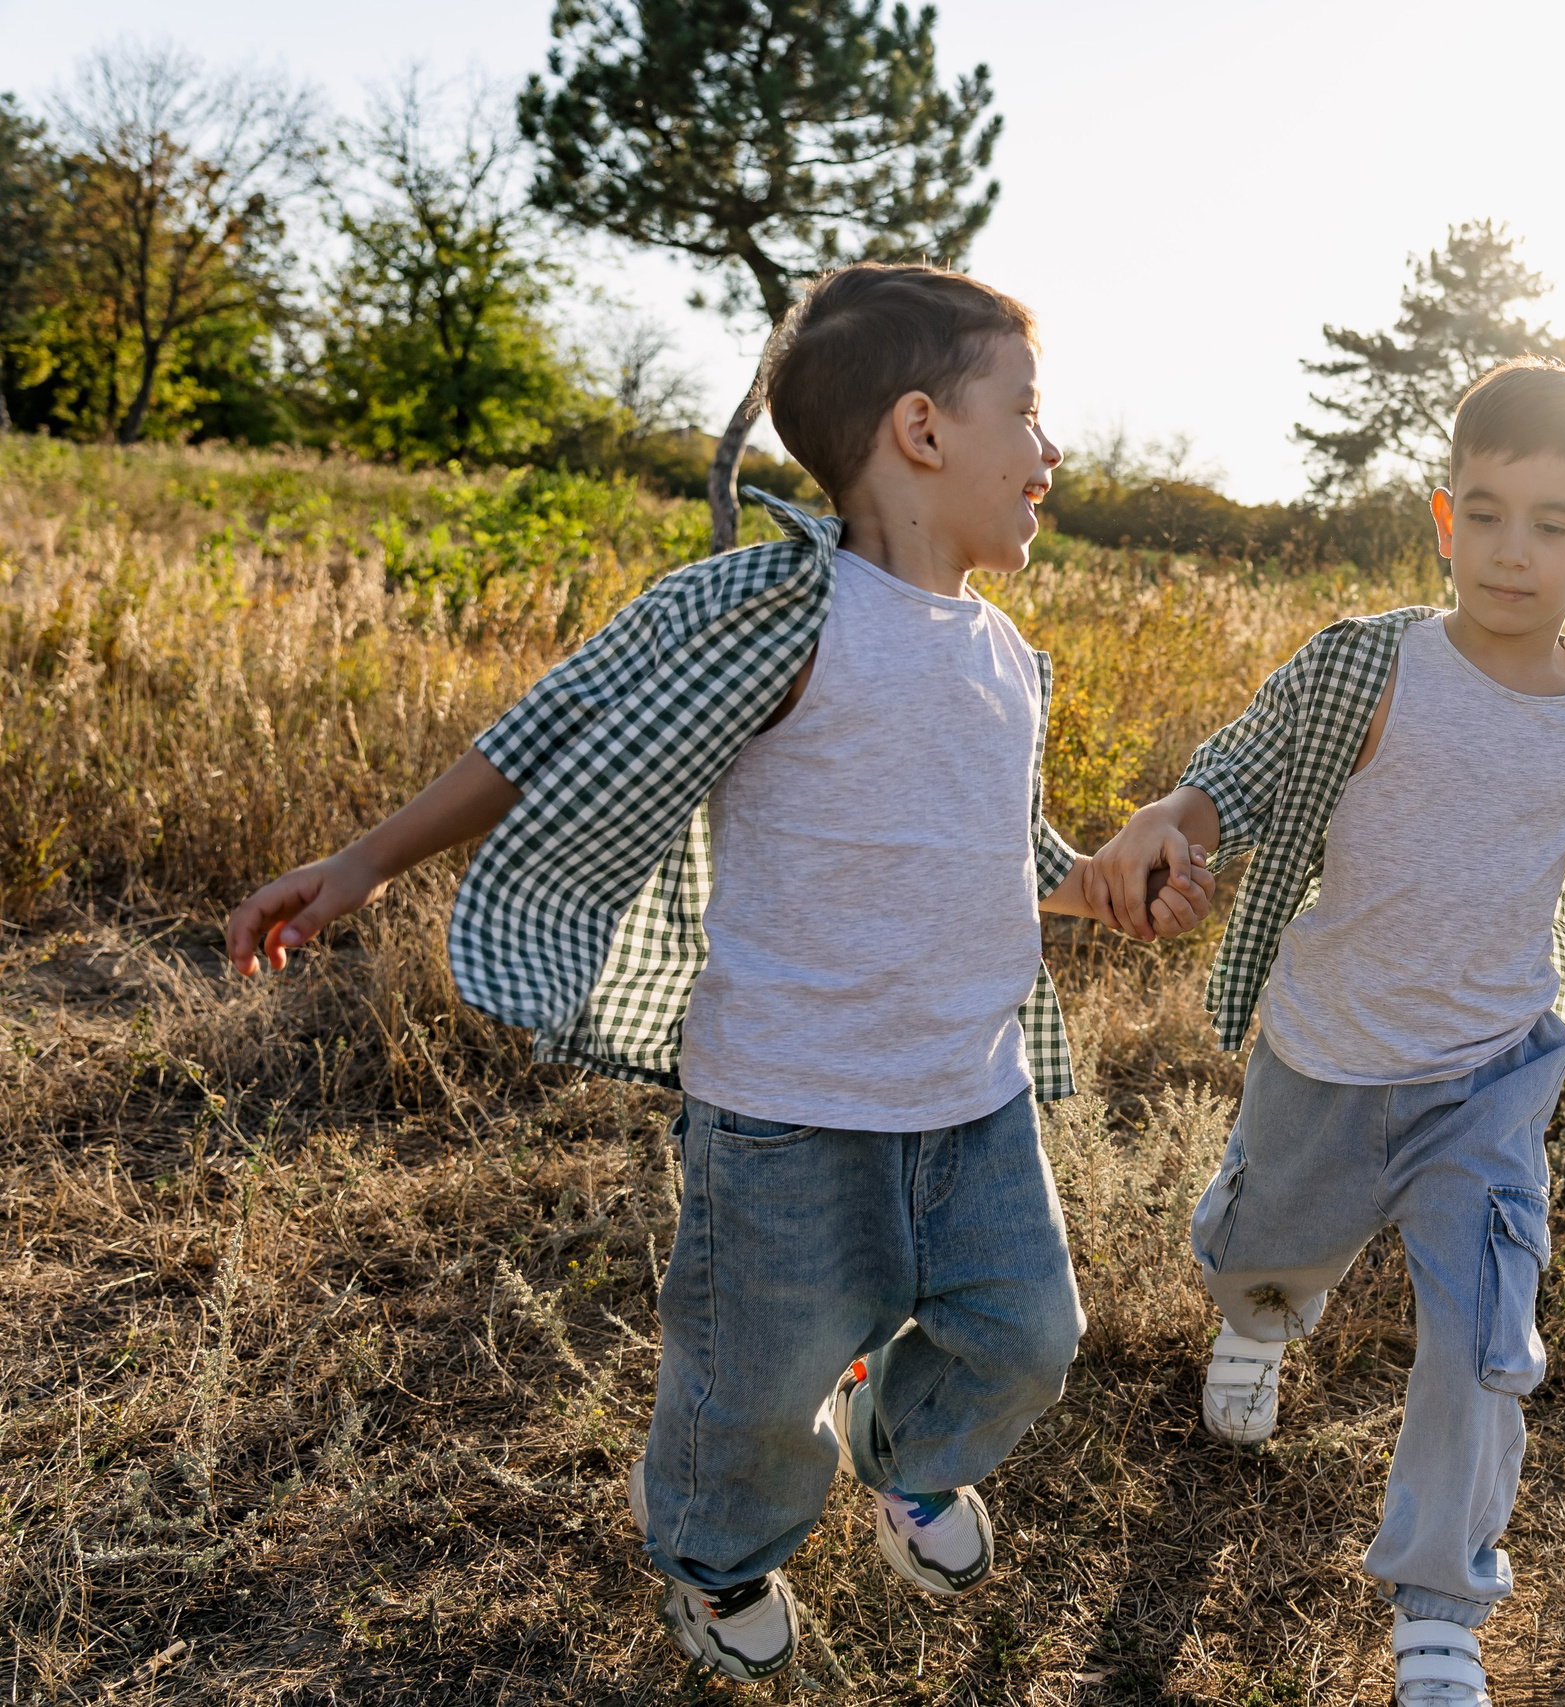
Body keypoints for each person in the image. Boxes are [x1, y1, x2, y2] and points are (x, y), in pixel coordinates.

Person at [222, 264, 1212, 1682]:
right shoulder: (782, 609)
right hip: (787, 1114)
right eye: (1028, 411)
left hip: (972, 1097)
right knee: (750, 1387)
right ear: (923, 429)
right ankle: (714, 1553)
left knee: (1029, 1336)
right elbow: (563, 720)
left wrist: (1101, 882)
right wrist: (368, 859)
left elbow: (999, 845)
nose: (1052, 447)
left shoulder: (1006, 653)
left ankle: (900, 1445)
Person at [1087, 360, 1565, 1707]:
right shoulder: (1367, 663)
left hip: (1491, 1079)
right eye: (1485, 514)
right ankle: (1257, 1314)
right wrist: (1174, 819)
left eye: (1551, 525)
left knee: (1486, 1336)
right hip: (1326, 1054)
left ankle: (1442, 1608)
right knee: (1269, 1252)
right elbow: (1241, 773)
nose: (1512, 551)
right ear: (1446, 518)